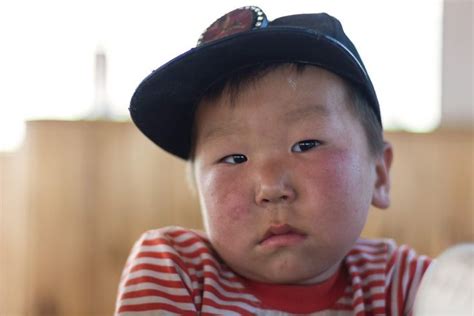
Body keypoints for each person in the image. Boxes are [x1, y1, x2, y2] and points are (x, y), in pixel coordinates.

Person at [115, 6, 431, 315]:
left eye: (306, 144)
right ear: (199, 188)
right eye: (234, 158)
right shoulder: (175, 270)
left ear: (378, 174)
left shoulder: (394, 280)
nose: (270, 187)